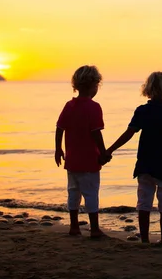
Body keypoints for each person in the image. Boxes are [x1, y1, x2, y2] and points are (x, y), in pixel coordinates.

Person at [104, 72, 162, 244]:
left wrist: (109, 150)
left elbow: (129, 134)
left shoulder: (143, 111)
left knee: (144, 204)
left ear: (148, 90)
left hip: (145, 164)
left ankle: (145, 240)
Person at [55, 65, 110, 238]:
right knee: (91, 193)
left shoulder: (69, 105)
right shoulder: (93, 107)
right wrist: (103, 152)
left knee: (73, 193)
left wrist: (58, 149)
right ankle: (94, 229)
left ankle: (74, 227)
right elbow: (96, 132)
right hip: (89, 160)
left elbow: (59, 128)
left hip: (72, 160)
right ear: (94, 85)